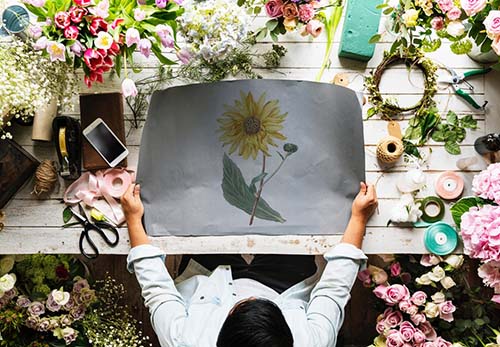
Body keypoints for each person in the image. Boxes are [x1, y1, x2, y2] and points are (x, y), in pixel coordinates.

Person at [122, 181, 378, 347]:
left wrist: (133, 219)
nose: (252, 295)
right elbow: (333, 289)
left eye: (245, 303)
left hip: (212, 282)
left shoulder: (186, 341)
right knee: (294, 205)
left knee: (205, 199)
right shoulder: (312, 341)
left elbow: (158, 291)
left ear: (228, 317)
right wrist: (357, 218)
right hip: (283, 286)